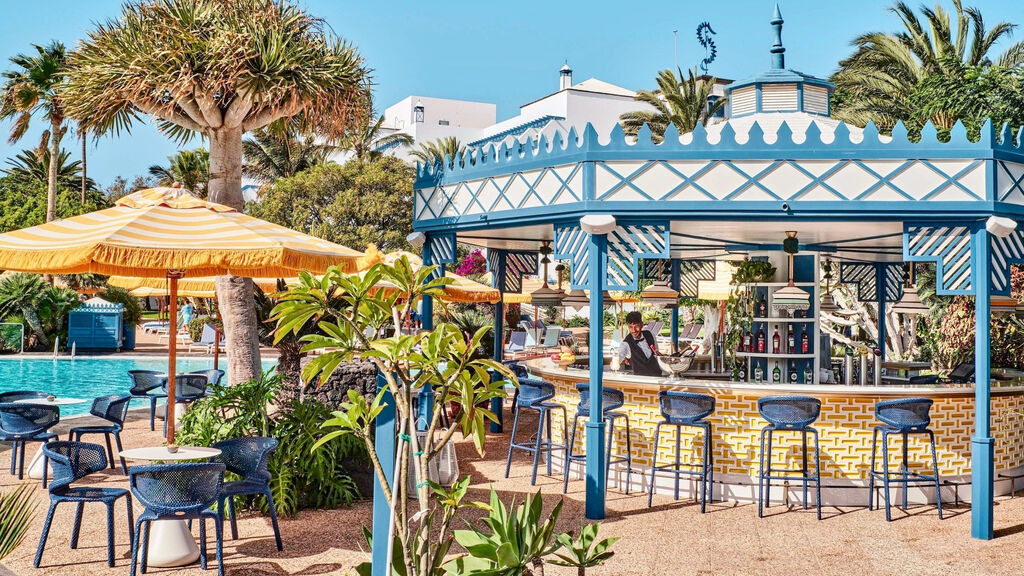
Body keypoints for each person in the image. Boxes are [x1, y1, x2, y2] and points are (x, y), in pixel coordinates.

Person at [618, 311, 662, 376]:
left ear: (641, 325)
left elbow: (656, 354)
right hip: (640, 379)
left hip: (657, 376)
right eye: (630, 327)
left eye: (636, 326)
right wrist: (615, 362)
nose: (634, 330)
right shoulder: (626, 344)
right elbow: (619, 355)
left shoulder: (650, 334)